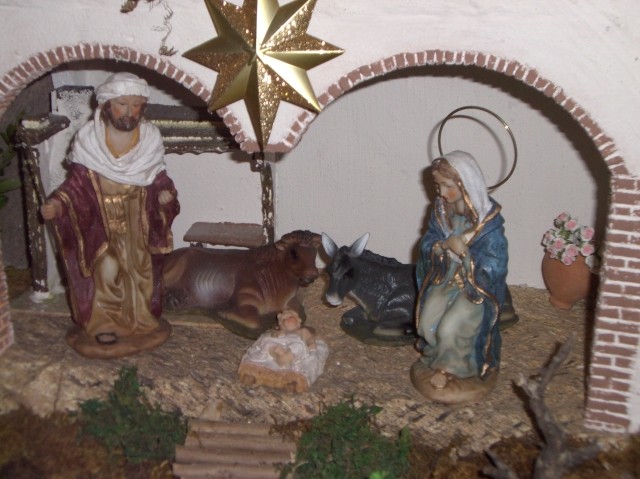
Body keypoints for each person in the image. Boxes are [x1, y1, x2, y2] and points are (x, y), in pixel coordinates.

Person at [40, 72, 180, 359]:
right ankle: (103, 323)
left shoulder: (150, 137)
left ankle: (141, 320)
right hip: (99, 219)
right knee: (105, 269)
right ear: (106, 105)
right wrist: (58, 203)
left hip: (137, 216)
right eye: (122, 104)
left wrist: (165, 194)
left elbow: (158, 177)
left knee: (140, 271)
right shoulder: (89, 139)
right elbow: (76, 185)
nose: (129, 112)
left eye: (136, 105)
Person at [411, 150, 508, 404]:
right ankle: (434, 357)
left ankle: (453, 369)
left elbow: (496, 265)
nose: (441, 192)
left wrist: (466, 256)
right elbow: (428, 243)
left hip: (475, 289)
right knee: (427, 322)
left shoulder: (488, 223)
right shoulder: (441, 212)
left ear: (465, 184)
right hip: (446, 278)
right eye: (438, 186)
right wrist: (444, 246)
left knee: (451, 326)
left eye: (448, 186)